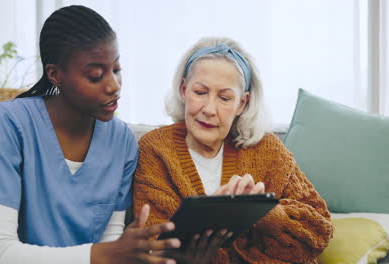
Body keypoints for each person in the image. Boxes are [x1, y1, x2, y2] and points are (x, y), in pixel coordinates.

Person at [0, 5, 180, 264]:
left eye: (116, 69)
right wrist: (97, 255)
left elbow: (109, 245)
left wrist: (127, 251)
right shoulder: (7, 125)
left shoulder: (121, 141)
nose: (114, 86)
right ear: (55, 75)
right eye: (95, 75)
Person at [133, 37, 334, 264]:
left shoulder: (269, 151)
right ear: (183, 89)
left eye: (224, 98)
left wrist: (263, 212)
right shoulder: (155, 150)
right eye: (200, 92)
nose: (209, 109)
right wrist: (211, 224)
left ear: (242, 103)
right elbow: (154, 244)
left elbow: (318, 233)